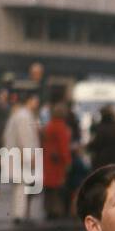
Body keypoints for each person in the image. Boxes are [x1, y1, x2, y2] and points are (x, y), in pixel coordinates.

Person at [3, 92, 41, 224]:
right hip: (20, 157)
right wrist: (31, 156)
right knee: (22, 186)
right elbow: (26, 138)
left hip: (16, 155)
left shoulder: (18, 115)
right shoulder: (25, 116)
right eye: (35, 101)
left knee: (19, 187)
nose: (37, 104)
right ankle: (20, 215)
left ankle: (19, 214)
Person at [42, 88, 73, 220]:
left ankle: (48, 210)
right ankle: (56, 211)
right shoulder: (61, 127)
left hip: (48, 160)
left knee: (48, 188)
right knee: (57, 188)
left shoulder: (49, 125)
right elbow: (63, 146)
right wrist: (68, 161)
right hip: (57, 162)